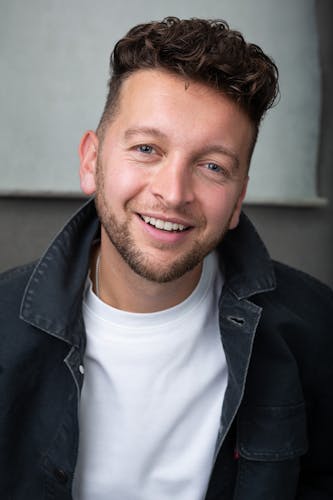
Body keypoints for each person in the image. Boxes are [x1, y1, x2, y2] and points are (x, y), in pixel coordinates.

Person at [0, 16, 332, 500]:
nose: (173, 193)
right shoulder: (4, 328)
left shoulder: (315, 329)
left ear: (238, 197)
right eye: (146, 148)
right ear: (92, 161)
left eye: (212, 166)